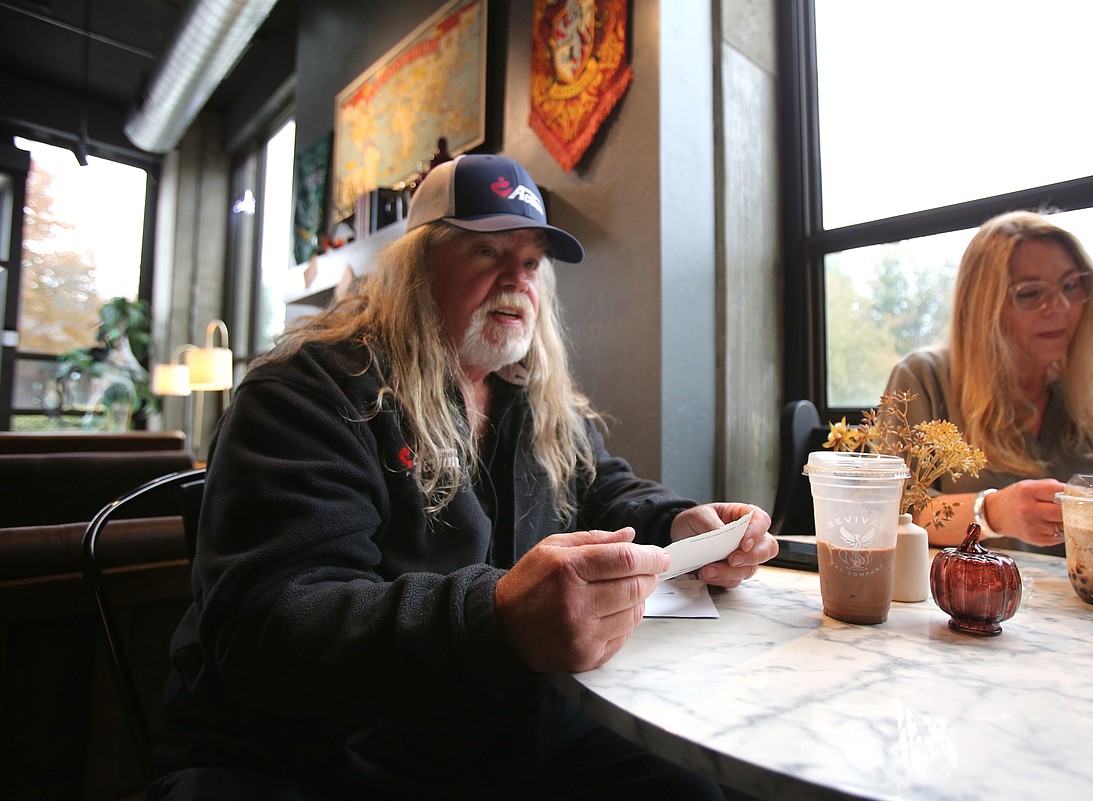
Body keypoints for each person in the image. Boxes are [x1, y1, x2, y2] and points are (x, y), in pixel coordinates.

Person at [149, 154, 778, 800]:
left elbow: (604, 486)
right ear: (417, 269)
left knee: (691, 788)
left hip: (485, 731)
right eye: (487, 252)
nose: (516, 280)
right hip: (317, 757)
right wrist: (498, 618)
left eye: (531, 262)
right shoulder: (306, 393)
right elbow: (275, 627)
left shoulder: (529, 399)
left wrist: (680, 523)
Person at [883, 210, 1093, 569]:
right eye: (1030, 293)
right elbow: (891, 511)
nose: (1061, 307)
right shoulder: (926, 378)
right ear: (982, 308)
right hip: (974, 609)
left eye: (1072, 285)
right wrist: (990, 512)